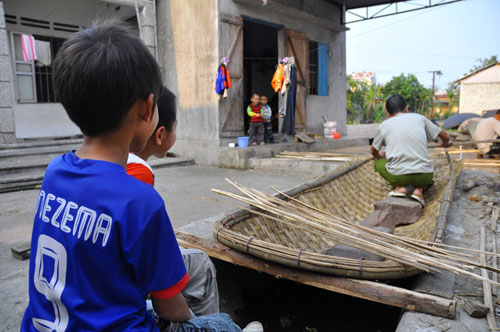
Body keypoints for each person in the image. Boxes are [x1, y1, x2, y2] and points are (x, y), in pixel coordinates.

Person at [21, 19, 261, 332]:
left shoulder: (55, 172)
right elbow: (170, 306)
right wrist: (197, 324)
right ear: (148, 109)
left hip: (46, 324)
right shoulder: (140, 201)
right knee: (223, 324)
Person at [126, 86, 219, 317]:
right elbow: (156, 275)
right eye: (175, 129)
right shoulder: (139, 177)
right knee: (200, 263)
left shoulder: (63, 169)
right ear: (160, 135)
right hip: (122, 295)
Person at [371, 94, 451, 207]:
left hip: (399, 177)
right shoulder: (420, 118)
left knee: (378, 163)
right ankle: (419, 190)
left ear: (388, 114)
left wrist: (380, 155)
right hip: (424, 176)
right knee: (425, 166)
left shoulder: (384, 125)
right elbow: (445, 136)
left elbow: (374, 151)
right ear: (406, 109)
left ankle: (400, 188)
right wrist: (445, 143)